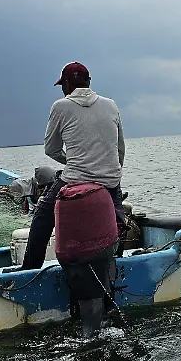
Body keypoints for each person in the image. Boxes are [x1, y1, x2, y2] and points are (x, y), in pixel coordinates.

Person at [20, 62, 127, 270]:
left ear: (67, 85)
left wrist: (74, 161)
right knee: (118, 221)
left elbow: (51, 149)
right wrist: (112, 173)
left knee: (42, 217)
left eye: (63, 85)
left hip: (74, 179)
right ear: (89, 82)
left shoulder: (60, 106)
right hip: (110, 180)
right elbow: (120, 149)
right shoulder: (111, 105)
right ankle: (118, 263)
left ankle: (30, 270)